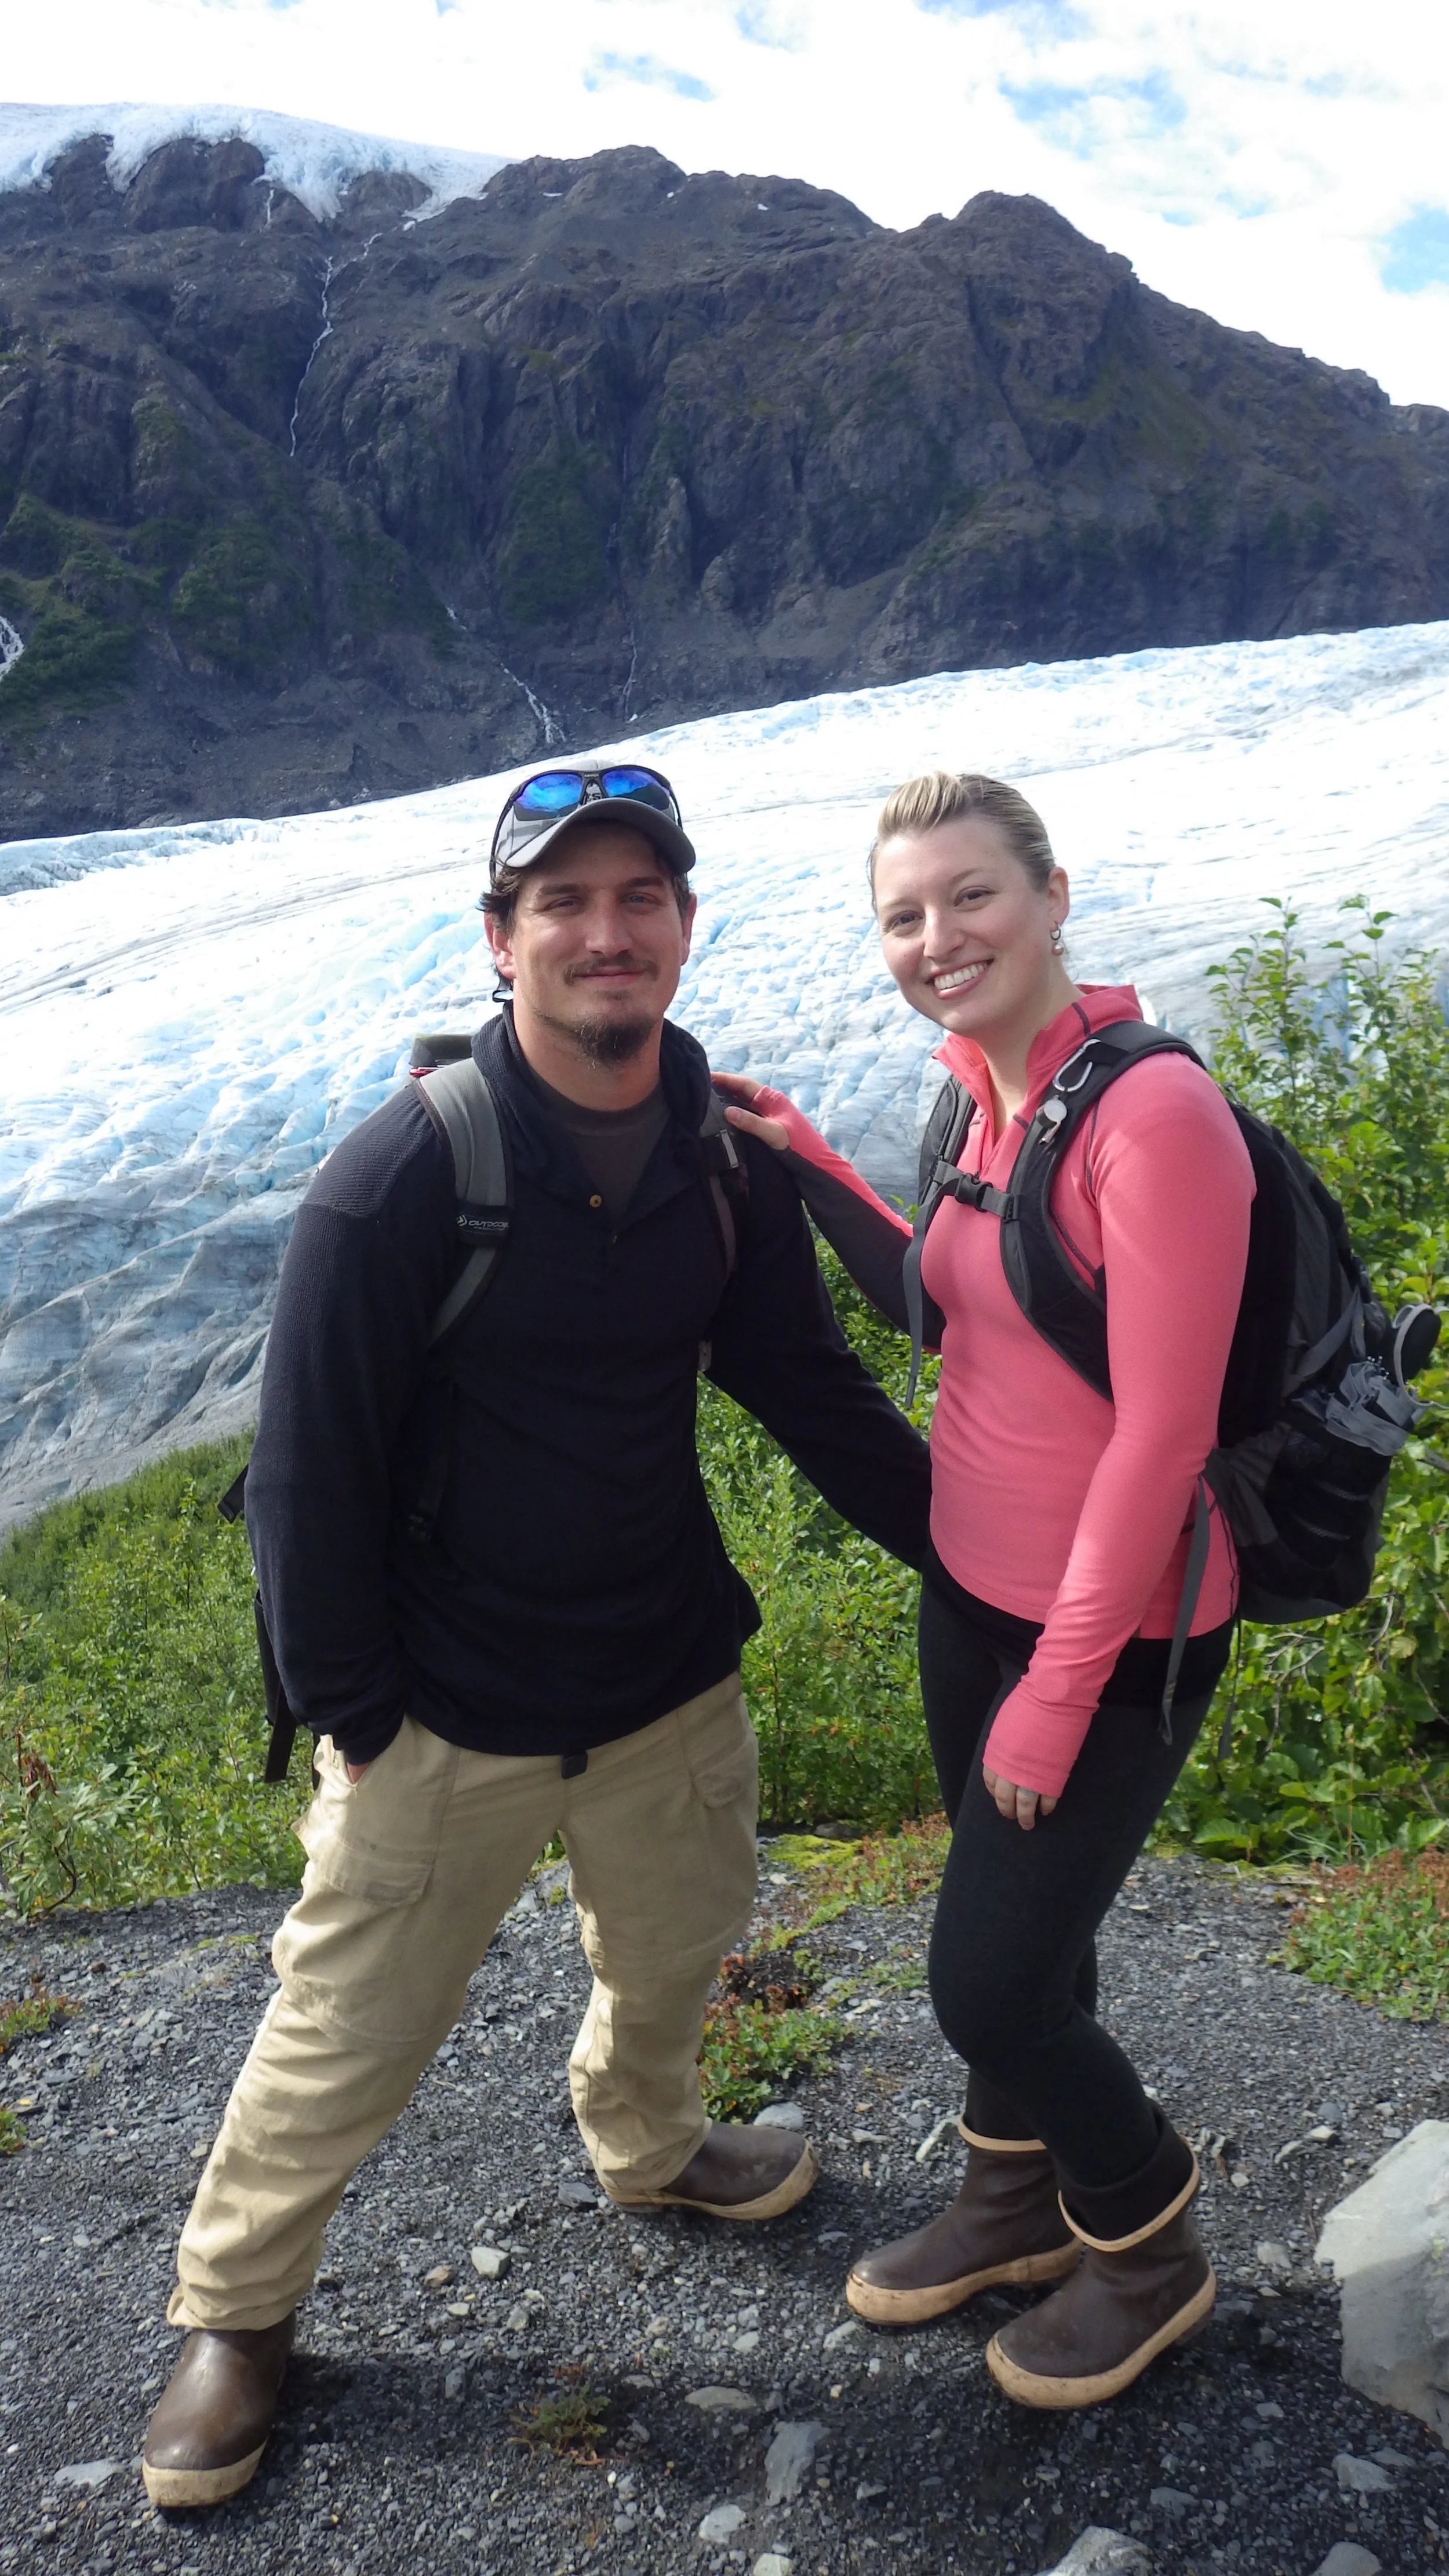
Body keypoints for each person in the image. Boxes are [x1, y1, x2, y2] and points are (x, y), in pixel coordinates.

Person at [140, 762, 931, 2508]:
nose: (606, 930)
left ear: (682, 931)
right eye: (563, 903)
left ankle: (647, 2144)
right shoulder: (402, 1179)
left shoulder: (711, 1158)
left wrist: (983, 1553)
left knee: (675, 1945)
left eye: (639, 898)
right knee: (343, 2024)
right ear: (499, 943)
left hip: (660, 1671)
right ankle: (238, 2313)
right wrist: (354, 1710)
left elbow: (803, 1384)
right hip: (446, 1708)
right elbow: (303, 1471)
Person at [715, 769, 1253, 2411]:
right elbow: (955, 1298)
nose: (936, 937)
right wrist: (808, 1159)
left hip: (1118, 1628)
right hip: (973, 1593)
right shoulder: (975, 1092)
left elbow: (1161, 1434)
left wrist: (1058, 1682)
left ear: (1051, 894)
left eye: (969, 897)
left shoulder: (1152, 1116)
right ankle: (1014, 2197)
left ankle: (1146, 2245)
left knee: (990, 1975)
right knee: (1031, 1948)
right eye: (902, 914)